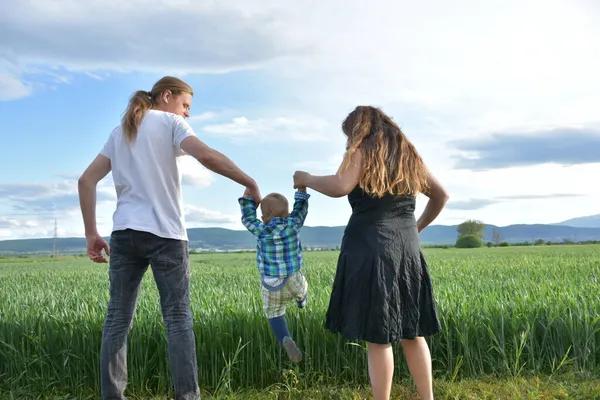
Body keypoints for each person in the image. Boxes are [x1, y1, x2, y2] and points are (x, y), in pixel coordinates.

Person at [77, 76, 261, 400]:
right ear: (167, 96)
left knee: (117, 318)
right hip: (166, 235)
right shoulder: (171, 124)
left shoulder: (118, 132)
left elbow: (86, 180)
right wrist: (248, 180)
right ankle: (187, 396)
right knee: (177, 318)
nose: (187, 113)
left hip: (124, 233)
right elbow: (205, 155)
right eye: (186, 105)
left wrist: (91, 233)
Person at [293, 105, 449, 400]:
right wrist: (415, 229)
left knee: (379, 337)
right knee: (412, 332)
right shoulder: (408, 156)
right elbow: (441, 195)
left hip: (370, 246)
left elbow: (341, 185)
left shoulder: (362, 149)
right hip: (407, 249)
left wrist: (306, 178)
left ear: (359, 129)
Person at [238, 188, 310, 363]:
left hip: (270, 284)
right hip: (293, 278)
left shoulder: (262, 230)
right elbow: (301, 209)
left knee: (274, 314)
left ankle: (285, 338)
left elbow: (248, 219)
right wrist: (301, 190)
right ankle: (301, 300)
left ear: (264, 217)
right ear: (288, 213)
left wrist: (248, 200)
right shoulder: (293, 224)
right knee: (303, 287)